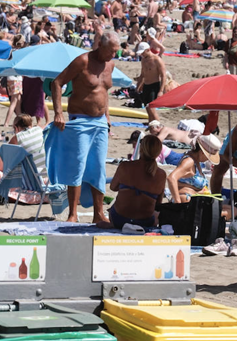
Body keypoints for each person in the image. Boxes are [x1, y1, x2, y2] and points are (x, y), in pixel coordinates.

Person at [48, 31, 118, 226]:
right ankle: (73, 213)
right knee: (77, 166)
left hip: (100, 123)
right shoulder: (82, 61)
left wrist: (107, 116)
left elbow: (104, 92)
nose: (113, 55)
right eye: (111, 51)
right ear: (101, 46)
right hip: (80, 121)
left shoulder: (110, 65)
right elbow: (57, 83)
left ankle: (98, 214)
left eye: (115, 52)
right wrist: (58, 113)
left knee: (98, 168)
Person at [106, 135, 167, 230]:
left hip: (119, 220)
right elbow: (158, 203)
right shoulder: (161, 174)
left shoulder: (125, 166)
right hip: (145, 222)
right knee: (156, 214)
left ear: (141, 149)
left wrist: (127, 188)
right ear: (158, 152)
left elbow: (113, 187)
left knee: (114, 207)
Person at [166, 135, 220, 202]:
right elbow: (171, 178)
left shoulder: (195, 161)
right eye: (208, 157)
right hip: (187, 200)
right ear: (202, 153)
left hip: (195, 200)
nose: (207, 160)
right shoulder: (189, 161)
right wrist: (178, 202)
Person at [136, 34, 166, 123]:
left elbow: (163, 75)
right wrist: (139, 85)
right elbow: (143, 74)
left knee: (151, 107)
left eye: (143, 52)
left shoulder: (157, 60)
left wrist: (161, 91)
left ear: (148, 50)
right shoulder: (143, 60)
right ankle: (151, 124)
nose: (141, 54)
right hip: (146, 85)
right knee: (147, 108)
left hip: (154, 85)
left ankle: (158, 126)